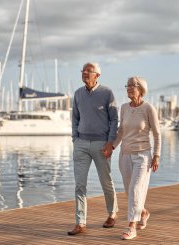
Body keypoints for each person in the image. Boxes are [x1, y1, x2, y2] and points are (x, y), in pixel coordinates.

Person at [68, 62, 119, 236]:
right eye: (83, 70)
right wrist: (75, 138)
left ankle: (112, 213)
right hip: (81, 144)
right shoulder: (77, 94)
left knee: (106, 181)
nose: (85, 73)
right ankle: (80, 222)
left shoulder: (107, 93)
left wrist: (110, 142)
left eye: (89, 71)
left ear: (97, 75)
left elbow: (114, 120)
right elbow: (74, 118)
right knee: (79, 185)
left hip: (101, 144)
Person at [112, 76, 161, 240]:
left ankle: (131, 227)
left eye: (133, 85)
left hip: (143, 156)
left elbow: (157, 134)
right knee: (130, 191)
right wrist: (112, 146)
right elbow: (121, 132)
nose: (129, 88)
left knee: (135, 190)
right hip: (125, 155)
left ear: (141, 89)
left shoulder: (148, 108)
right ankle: (144, 212)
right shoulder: (124, 108)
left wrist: (157, 155)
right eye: (127, 85)